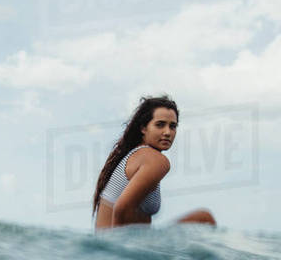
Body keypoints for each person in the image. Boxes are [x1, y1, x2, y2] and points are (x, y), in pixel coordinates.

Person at [92, 95, 217, 231]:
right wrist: (121, 250)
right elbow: (122, 208)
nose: (167, 132)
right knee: (205, 219)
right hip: (121, 245)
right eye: (160, 125)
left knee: (202, 217)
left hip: (112, 243)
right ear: (143, 128)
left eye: (173, 126)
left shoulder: (137, 155)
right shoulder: (155, 160)